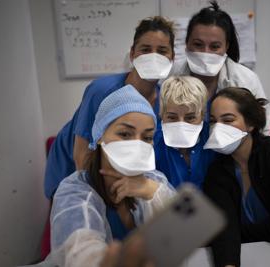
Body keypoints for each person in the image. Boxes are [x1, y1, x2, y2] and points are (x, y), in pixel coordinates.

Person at [41, 85, 176, 267]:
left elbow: (181, 234)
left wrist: (149, 190)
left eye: (146, 138)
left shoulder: (154, 181)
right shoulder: (75, 191)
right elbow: (80, 254)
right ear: (99, 136)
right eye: (125, 134)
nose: (137, 144)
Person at [44, 16, 175, 199]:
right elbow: (82, 156)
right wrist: (97, 200)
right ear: (132, 54)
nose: (153, 57)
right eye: (145, 50)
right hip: (70, 169)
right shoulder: (102, 91)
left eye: (162, 51)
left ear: (172, 57)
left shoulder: (164, 101)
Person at [202, 87, 270, 267]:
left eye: (228, 120)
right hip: (249, 254)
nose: (218, 129)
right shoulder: (217, 170)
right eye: (213, 122)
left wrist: (239, 232)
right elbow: (223, 228)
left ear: (250, 124)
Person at [170, 1, 270, 135]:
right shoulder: (171, 76)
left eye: (215, 46)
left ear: (226, 47)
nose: (206, 52)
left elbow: (262, 132)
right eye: (198, 44)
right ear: (187, 43)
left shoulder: (246, 80)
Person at [154, 76, 216, 188]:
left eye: (190, 118)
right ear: (162, 115)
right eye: (172, 118)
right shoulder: (153, 143)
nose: (181, 124)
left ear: (202, 115)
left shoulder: (213, 141)